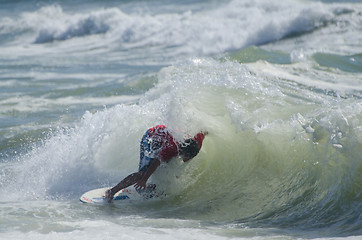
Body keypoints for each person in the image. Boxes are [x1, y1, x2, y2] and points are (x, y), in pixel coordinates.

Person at [105, 125, 207, 202]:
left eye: (190, 157)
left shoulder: (196, 143)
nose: (186, 160)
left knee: (166, 168)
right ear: (182, 151)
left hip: (165, 137)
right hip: (151, 138)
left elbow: (203, 131)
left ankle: (151, 186)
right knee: (142, 174)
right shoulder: (171, 148)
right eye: (186, 157)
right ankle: (111, 192)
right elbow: (156, 163)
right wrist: (144, 180)